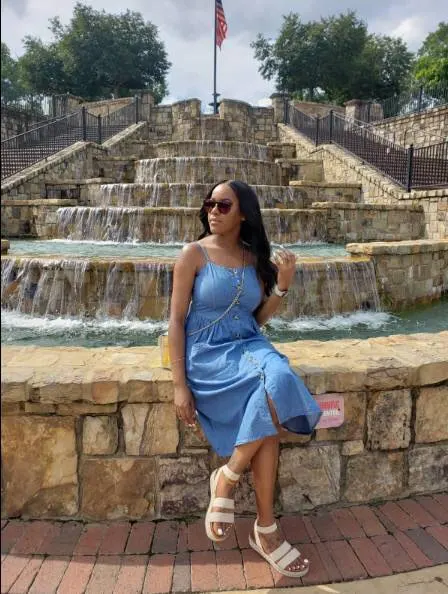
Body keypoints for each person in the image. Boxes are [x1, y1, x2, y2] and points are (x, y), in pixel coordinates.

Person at [168, 180, 322, 578]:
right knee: (268, 412)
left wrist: (282, 286)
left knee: (280, 379)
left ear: (243, 214)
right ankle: (266, 530)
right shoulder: (193, 254)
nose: (213, 211)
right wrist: (180, 384)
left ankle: (228, 476)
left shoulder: (254, 258)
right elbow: (176, 321)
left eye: (223, 205)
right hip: (208, 354)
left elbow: (256, 318)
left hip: (250, 346)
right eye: (210, 204)